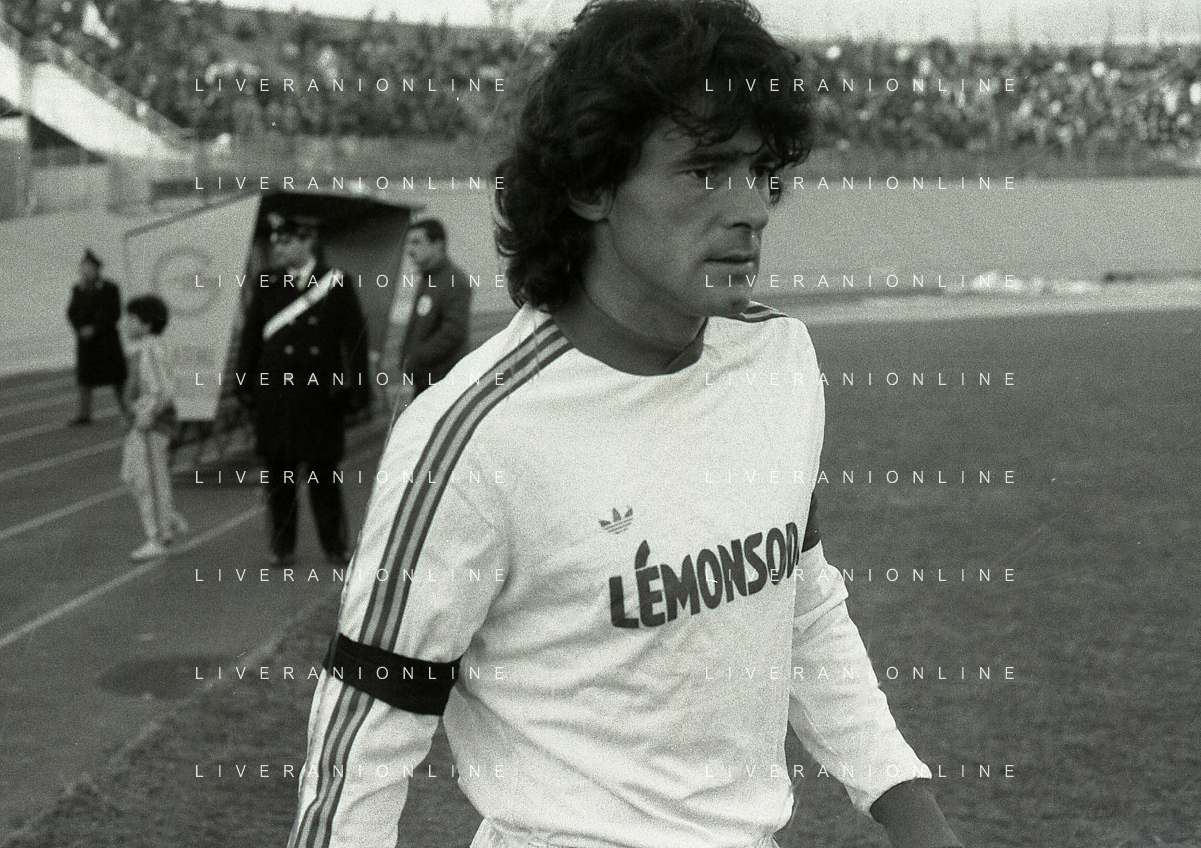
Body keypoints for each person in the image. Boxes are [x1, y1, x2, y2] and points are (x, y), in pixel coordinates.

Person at [289, 2, 964, 847]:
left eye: (761, 170)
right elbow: (365, 730)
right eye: (704, 169)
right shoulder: (472, 436)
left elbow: (801, 606)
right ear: (590, 185)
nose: (751, 208)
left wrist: (913, 816)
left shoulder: (778, 361)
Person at [236, 211, 372, 568]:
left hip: (319, 396)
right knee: (279, 476)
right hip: (276, 396)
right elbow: (251, 338)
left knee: (323, 475)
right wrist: (243, 383)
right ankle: (282, 547)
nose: (279, 249)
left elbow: (355, 340)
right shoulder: (267, 282)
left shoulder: (336, 282)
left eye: (287, 241)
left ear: (307, 241)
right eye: (276, 242)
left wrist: (359, 390)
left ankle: (335, 545)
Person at [119, 294, 187, 561]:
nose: (126, 323)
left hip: (152, 425)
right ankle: (166, 517)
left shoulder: (152, 349)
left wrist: (147, 415)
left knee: (149, 479)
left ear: (146, 325)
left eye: (132, 319)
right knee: (131, 475)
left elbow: (163, 390)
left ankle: (158, 536)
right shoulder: (144, 349)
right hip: (141, 421)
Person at [396, 218, 473, 397]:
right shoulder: (429, 278)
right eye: (409, 243)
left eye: (416, 242)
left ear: (438, 245)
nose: (409, 250)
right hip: (425, 380)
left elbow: (453, 332)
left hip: (443, 382)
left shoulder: (454, 281)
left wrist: (414, 359)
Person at [66, 249, 127, 425]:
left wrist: (95, 328)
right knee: (85, 378)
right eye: (84, 267)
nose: (86, 271)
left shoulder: (110, 288)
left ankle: (127, 410)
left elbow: (114, 313)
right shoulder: (78, 289)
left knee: (117, 378)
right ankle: (84, 414)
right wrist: (80, 328)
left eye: (89, 267)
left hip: (106, 341)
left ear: (97, 269)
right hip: (86, 343)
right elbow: (72, 312)